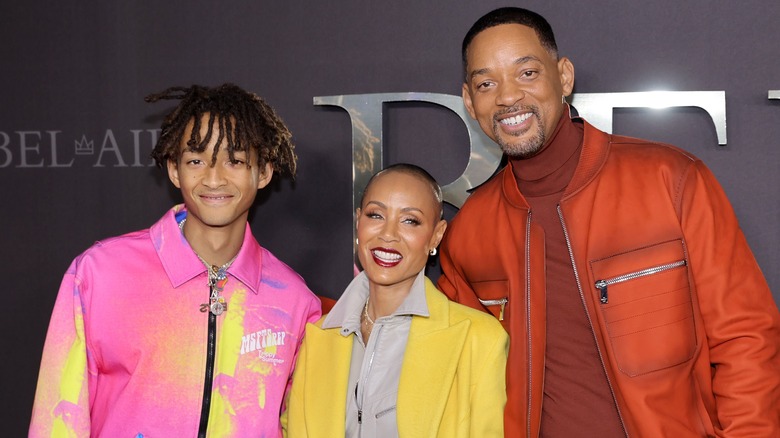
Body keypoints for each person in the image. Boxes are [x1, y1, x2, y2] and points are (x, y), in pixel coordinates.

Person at [437, 7, 780, 437]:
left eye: (526, 73)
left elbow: (746, 339)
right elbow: (443, 356)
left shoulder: (670, 180)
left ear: (564, 76)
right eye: (487, 83)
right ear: (470, 101)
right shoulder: (469, 233)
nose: (507, 96)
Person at [29, 83, 321, 437]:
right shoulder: (99, 275)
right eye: (196, 160)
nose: (214, 178)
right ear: (173, 169)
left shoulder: (294, 300)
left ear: (263, 172)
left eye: (235, 160)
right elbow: (58, 417)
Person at [282, 163, 508, 437]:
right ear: (358, 222)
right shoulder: (318, 337)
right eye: (375, 215)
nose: (388, 234)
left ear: (436, 235)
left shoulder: (479, 340)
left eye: (410, 220)